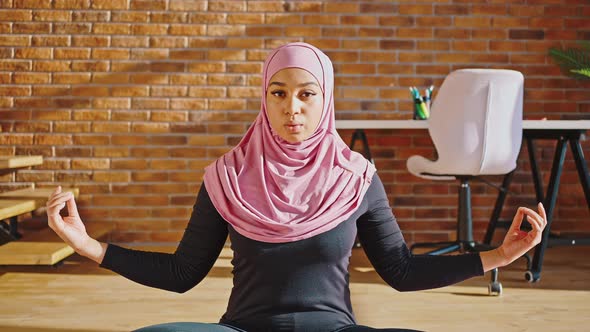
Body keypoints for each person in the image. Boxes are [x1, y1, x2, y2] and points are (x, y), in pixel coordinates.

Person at [46, 42, 547, 332]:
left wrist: (499, 255)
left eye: (307, 95)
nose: (292, 108)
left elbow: (400, 270)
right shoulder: (227, 176)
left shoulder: (355, 177)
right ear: (263, 98)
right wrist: (89, 246)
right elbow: (182, 272)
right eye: (278, 93)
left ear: (324, 99)